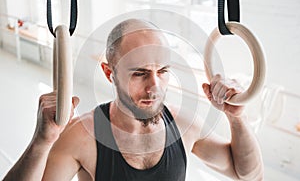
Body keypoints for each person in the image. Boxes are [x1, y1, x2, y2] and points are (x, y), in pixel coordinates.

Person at [3, 19, 263, 181]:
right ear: (109, 73)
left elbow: (248, 175)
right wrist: (41, 142)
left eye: (162, 71)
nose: (154, 87)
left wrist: (236, 117)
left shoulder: (183, 124)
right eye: (139, 73)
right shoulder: (82, 137)